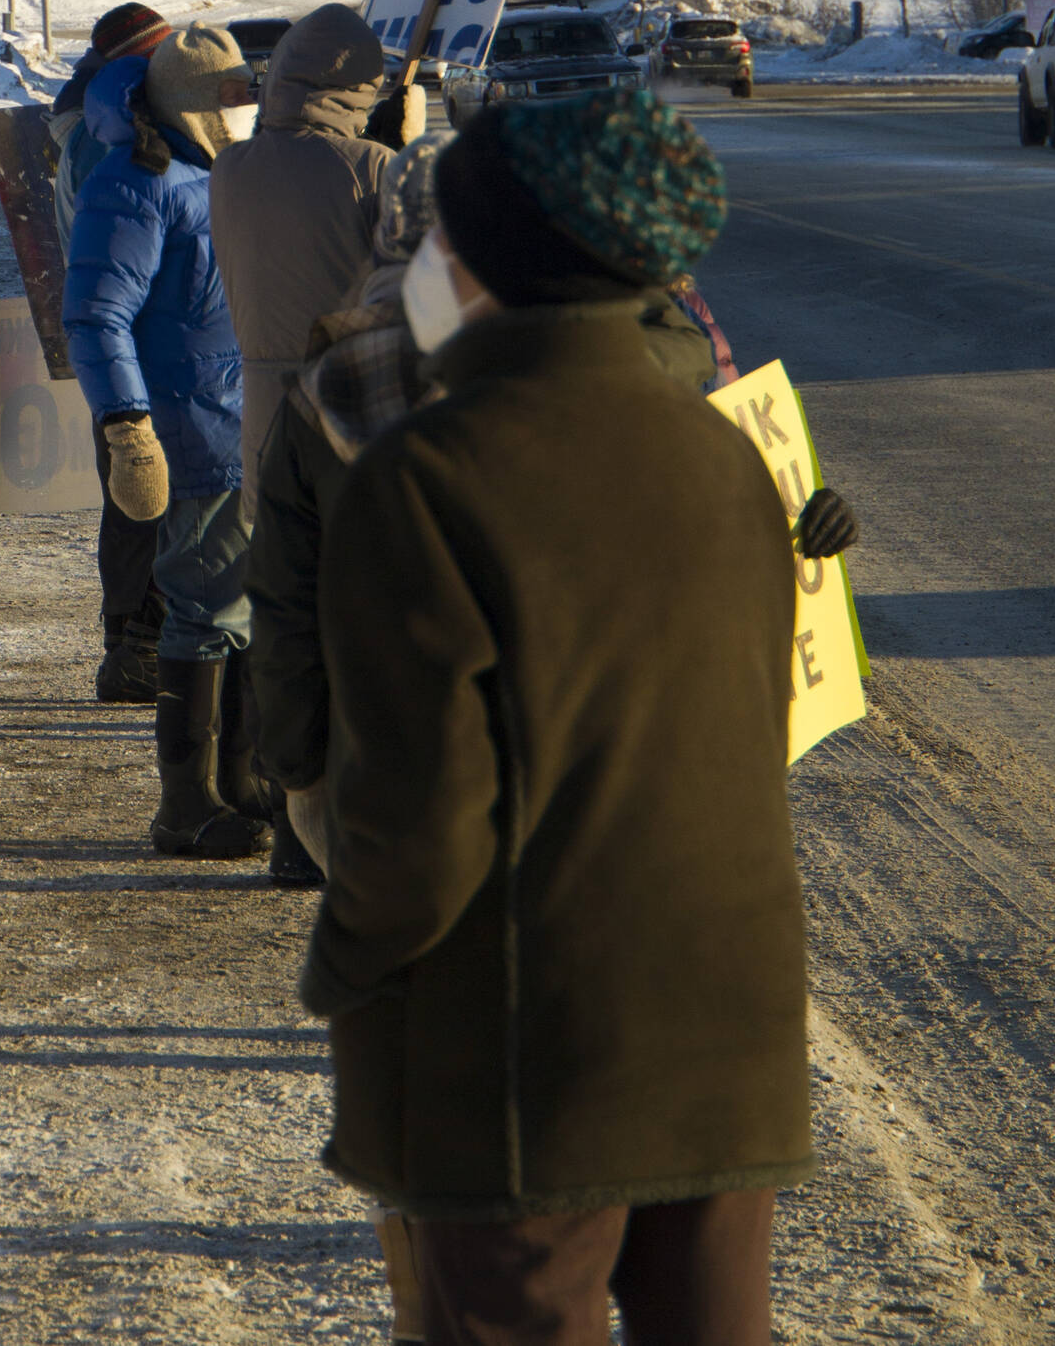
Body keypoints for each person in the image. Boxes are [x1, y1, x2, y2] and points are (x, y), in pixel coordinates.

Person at [299, 86, 818, 1346]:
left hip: (521, 1044)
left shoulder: (424, 478)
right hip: (725, 1012)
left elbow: (418, 823)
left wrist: (346, 961)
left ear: (478, 258)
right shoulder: (723, 453)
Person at [63, 22, 266, 859]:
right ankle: (184, 804)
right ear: (187, 105)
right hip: (188, 423)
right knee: (206, 608)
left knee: (251, 609)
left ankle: (243, 780)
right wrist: (126, 424)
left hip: (243, 415)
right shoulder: (136, 183)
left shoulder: (221, 171)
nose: (243, 115)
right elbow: (95, 312)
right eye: (229, 100)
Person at [207, 3, 409, 527]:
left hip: (264, 413)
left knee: (285, 585)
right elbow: (417, 274)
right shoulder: (372, 165)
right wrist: (402, 157)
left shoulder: (230, 167)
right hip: (350, 411)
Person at [47, 3, 172, 701]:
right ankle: (139, 648)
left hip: (124, 351)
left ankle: (130, 644)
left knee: (133, 505)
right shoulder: (120, 149)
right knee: (148, 502)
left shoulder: (93, 129)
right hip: (143, 352)